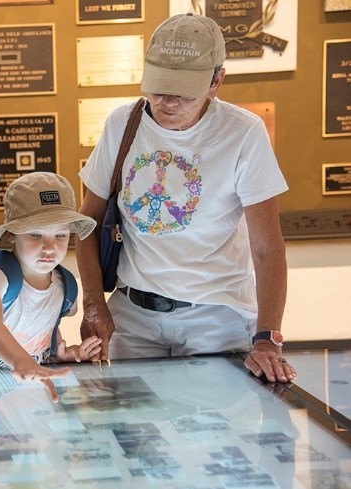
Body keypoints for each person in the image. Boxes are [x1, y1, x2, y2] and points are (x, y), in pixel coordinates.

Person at [75, 13, 297, 384]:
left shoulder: (242, 134)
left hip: (214, 316)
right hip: (133, 312)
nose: (168, 103)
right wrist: (94, 302)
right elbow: (87, 223)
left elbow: (268, 249)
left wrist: (267, 338)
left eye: (184, 92)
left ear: (216, 82)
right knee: (131, 433)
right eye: (159, 88)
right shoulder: (122, 124)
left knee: (211, 433)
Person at [0, 171, 103, 400]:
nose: (49, 247)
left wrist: (65, 354)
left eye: (60, 235)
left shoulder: (64, 286)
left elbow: (40, 331)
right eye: (35, 234)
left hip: (26, 397)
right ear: (12, 233)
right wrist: (21, 361)